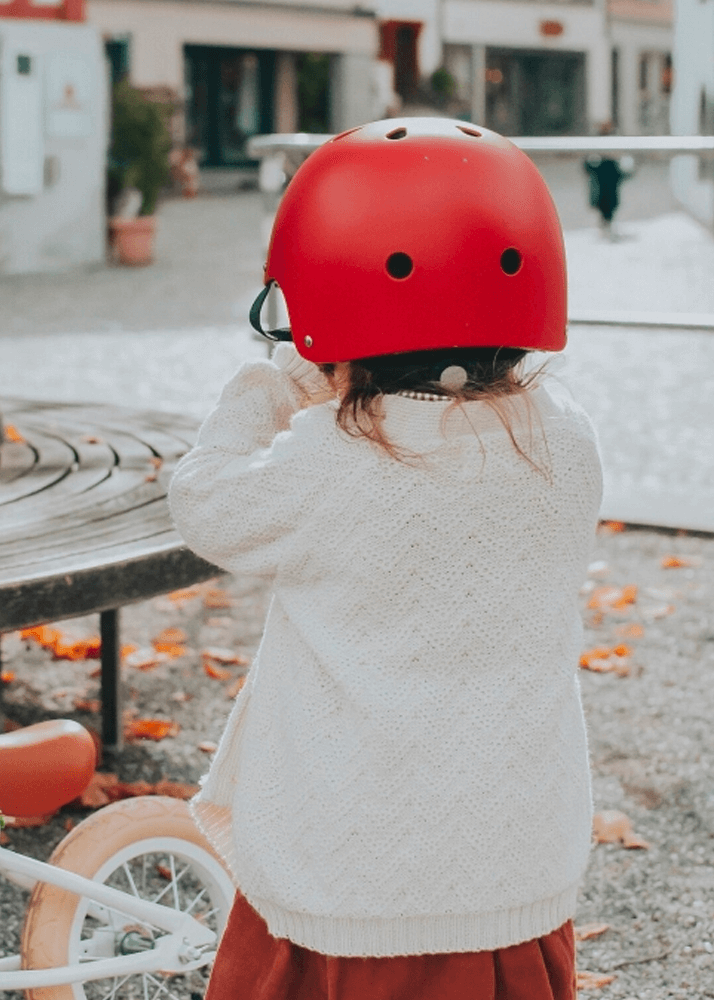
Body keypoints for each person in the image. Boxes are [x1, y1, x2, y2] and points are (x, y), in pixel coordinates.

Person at [168, 117, 603, 1000]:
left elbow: (204, 501)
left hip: (351, 878)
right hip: (514, 863)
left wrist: (271, 383)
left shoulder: (333, 460)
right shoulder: (565, 442)